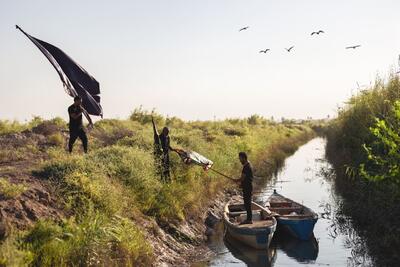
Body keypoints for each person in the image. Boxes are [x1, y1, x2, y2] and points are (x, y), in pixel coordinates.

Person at [236, 152, 253, 224]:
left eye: (240, 158)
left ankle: (249, 220)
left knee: (247, 204)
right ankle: (249, 219)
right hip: (247, 187)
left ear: (243, 158)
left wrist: (236, 180)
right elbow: (245, 179)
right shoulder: (248, 165)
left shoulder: (246, 167)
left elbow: (242, 178)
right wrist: (241, 184)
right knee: (247, 203)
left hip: (248, 188)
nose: (240, 160)